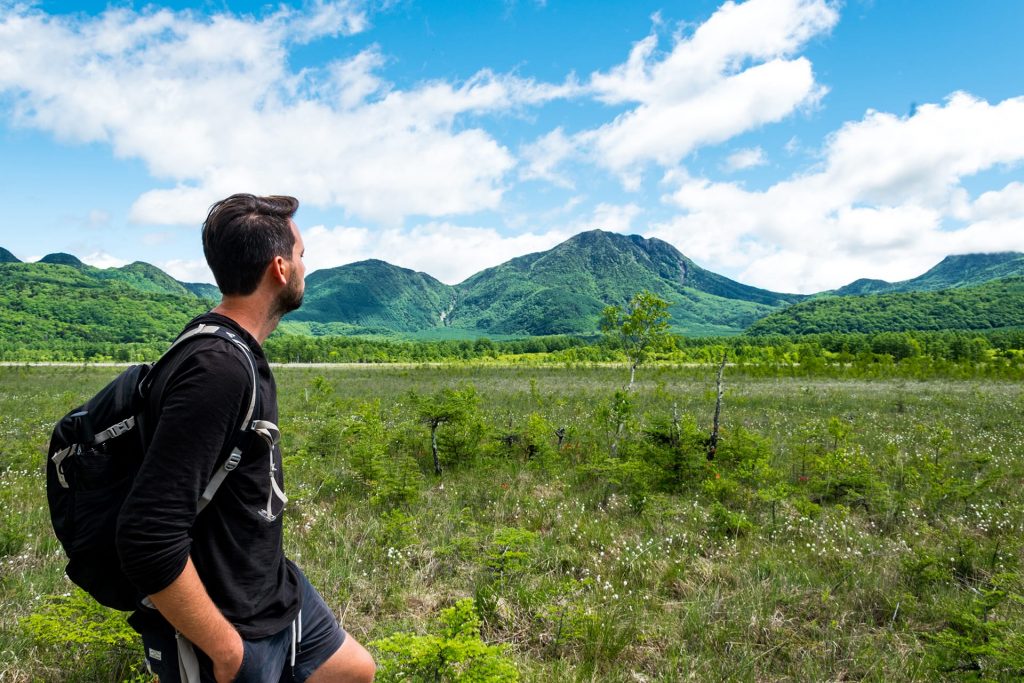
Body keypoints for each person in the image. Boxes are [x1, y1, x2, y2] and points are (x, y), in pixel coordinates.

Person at [116, 194, 375, 683]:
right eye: (301, 255)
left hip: (276, 595)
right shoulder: (217, 369)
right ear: (279, 268)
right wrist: (226, 650)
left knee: (354, 670)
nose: (305, 265)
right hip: (232, 622)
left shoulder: (230, 348)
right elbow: (147, 536)